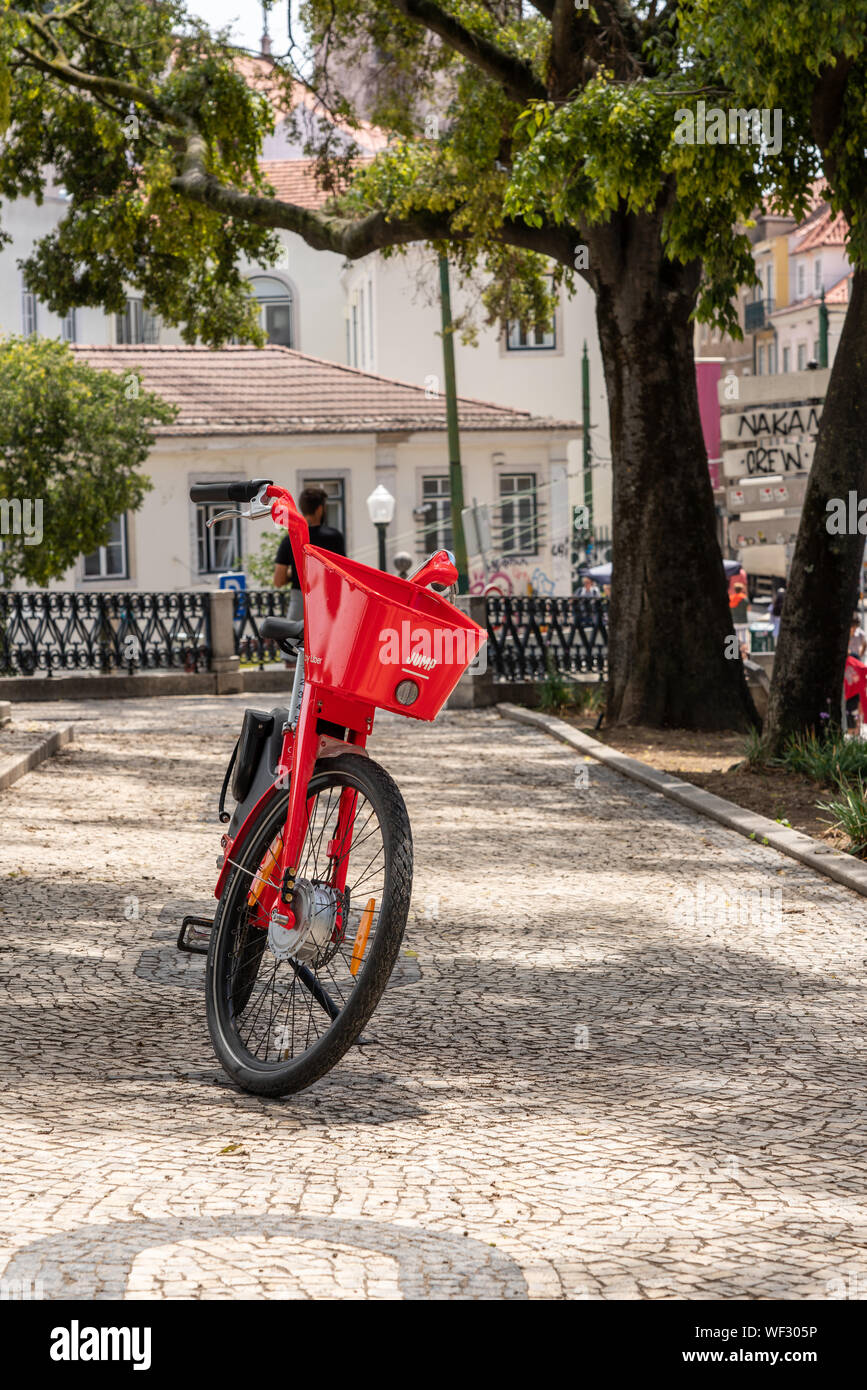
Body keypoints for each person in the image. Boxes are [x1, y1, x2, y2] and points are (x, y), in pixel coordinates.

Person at [273, 486, 346, 620]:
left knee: (294, 640)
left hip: (300, 601)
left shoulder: (290, 539)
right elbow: (343, 573)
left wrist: (293, 573)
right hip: (329, 602)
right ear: (320, 509)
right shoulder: (334, 537)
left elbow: (278, 580)